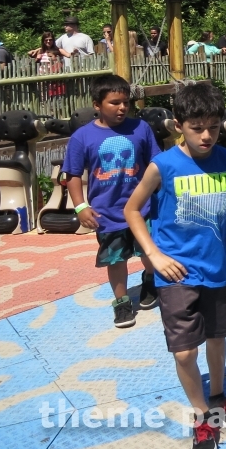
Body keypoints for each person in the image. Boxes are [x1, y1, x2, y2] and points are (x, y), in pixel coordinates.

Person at [125, 83, 226, 449]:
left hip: (217, 267)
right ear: (178, 125)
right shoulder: (163, 166)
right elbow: (132, 211)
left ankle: (218, 397)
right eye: (197, 128)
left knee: (217, 337)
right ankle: (201, 412)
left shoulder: (225, 159)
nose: (206, 136)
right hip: (175, 271)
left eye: (214, 127)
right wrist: (154, 255)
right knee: (186, 351)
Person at [63, 75, 160, 329]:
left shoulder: (141, 129)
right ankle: (122, 302)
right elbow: (72, 174)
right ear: (97, 105)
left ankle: (151, 280)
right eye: (114, 102)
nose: (122, 108)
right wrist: (81, 206)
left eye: (126, 102)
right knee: (116, 260)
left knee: (149, 252)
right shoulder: (82, 137)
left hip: (142, 209)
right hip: (107, 213)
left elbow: (156, 163)